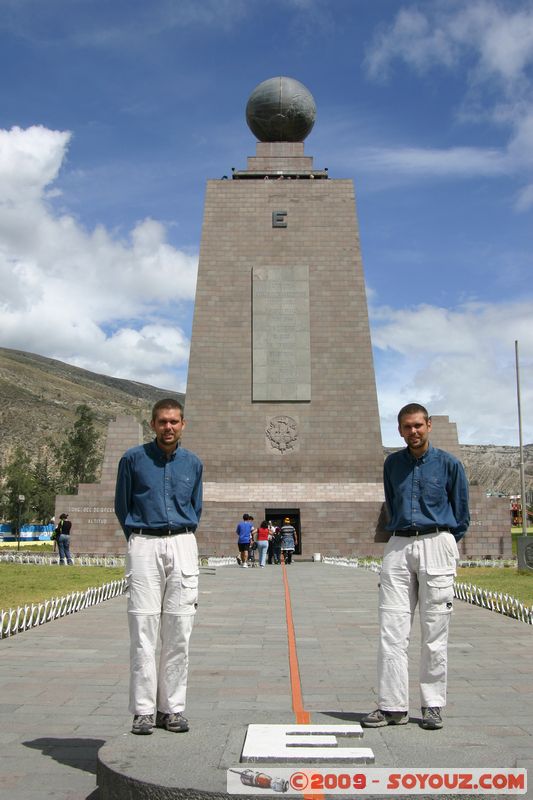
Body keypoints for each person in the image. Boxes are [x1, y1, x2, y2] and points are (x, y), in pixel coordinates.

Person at [362, 403, 469, 732]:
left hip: (437, 542)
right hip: (398, 545)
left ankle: (433, 704)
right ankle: (392, 705)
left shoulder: (450, 464)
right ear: (399, 430)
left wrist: (445, 541)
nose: (414, 432)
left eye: (418, 425)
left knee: (435, 633)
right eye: (407, 427)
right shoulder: (392, 464)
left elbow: (461, 513)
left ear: (429, 425)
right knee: (391, 630)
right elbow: (391, 503)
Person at [115, 398, 203, 736]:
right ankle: (143, 711)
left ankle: (173, 709)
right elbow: (122, 504)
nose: (168, 427)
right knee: (143, 630)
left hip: (182, 542)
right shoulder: (133, 459)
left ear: (183, 425)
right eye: (162, 422)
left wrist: (178, 533)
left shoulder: (193, 464)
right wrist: (139, 537)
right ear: (152, 424)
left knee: (179, 631)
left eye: (174, 422)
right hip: (144, 542)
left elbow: (196, 505)